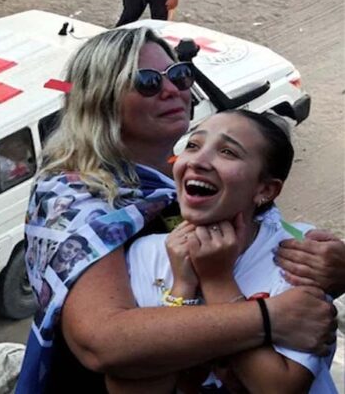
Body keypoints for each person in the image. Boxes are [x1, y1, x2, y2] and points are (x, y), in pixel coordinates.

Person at [16, 27, 338, 393]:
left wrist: (332, 273)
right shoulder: (73, 196)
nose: (173, 90)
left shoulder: (185, 175)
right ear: (100, 99)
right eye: (148, 82)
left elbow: (262, 251)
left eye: (179, 75)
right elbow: (102, 342)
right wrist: (268, 318)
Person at [120, 110, 336, 392]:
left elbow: (278, 387)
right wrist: (182, 289)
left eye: (228, 152)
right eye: (193, 145)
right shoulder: (145, 253)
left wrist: (217, 280)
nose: (197, 161)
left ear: (266, 190)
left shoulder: (299, 253)